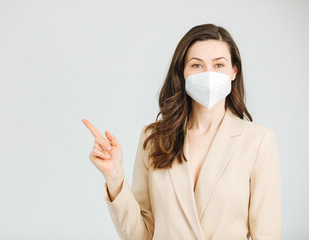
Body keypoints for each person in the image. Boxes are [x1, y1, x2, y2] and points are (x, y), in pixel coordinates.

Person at [82, 23, 282, 240]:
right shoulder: (154, 139)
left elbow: (267, 234)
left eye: (218, 65)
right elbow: (141, 235)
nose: (208, 74)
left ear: (234, 71)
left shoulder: (258, 141)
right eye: (196, 65)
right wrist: (115, 178)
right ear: (183, 72)